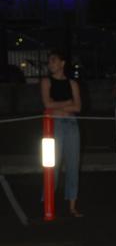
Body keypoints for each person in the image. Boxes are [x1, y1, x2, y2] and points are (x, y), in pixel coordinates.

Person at [40, 50, 82, 217]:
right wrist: (67, 103)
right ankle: (47, 202)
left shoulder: (72, 83)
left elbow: (78, 107)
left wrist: (58, 106)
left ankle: (72, 206)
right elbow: (47, 104)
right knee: (52, 165)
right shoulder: (46, 81)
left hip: (71, 124)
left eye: (53, 60)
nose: (50, 63)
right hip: (54, 125)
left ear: (62, 63)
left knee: (73, 165)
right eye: (49, 61)